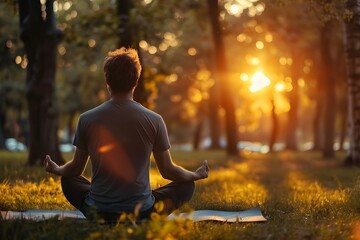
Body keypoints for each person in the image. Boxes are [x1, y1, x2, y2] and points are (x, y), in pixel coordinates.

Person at [44, 47, 209, 222]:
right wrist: (195, 175)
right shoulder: (155, 120)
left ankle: (103, 205)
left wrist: (57, 169)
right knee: (186, 185)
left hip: (98, 211)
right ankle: (142, 211)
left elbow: (75, 169)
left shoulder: (86, 119)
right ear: (136, 81)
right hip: (141, 212)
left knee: (68, 180)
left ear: (107, 80)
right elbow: (168, 171)